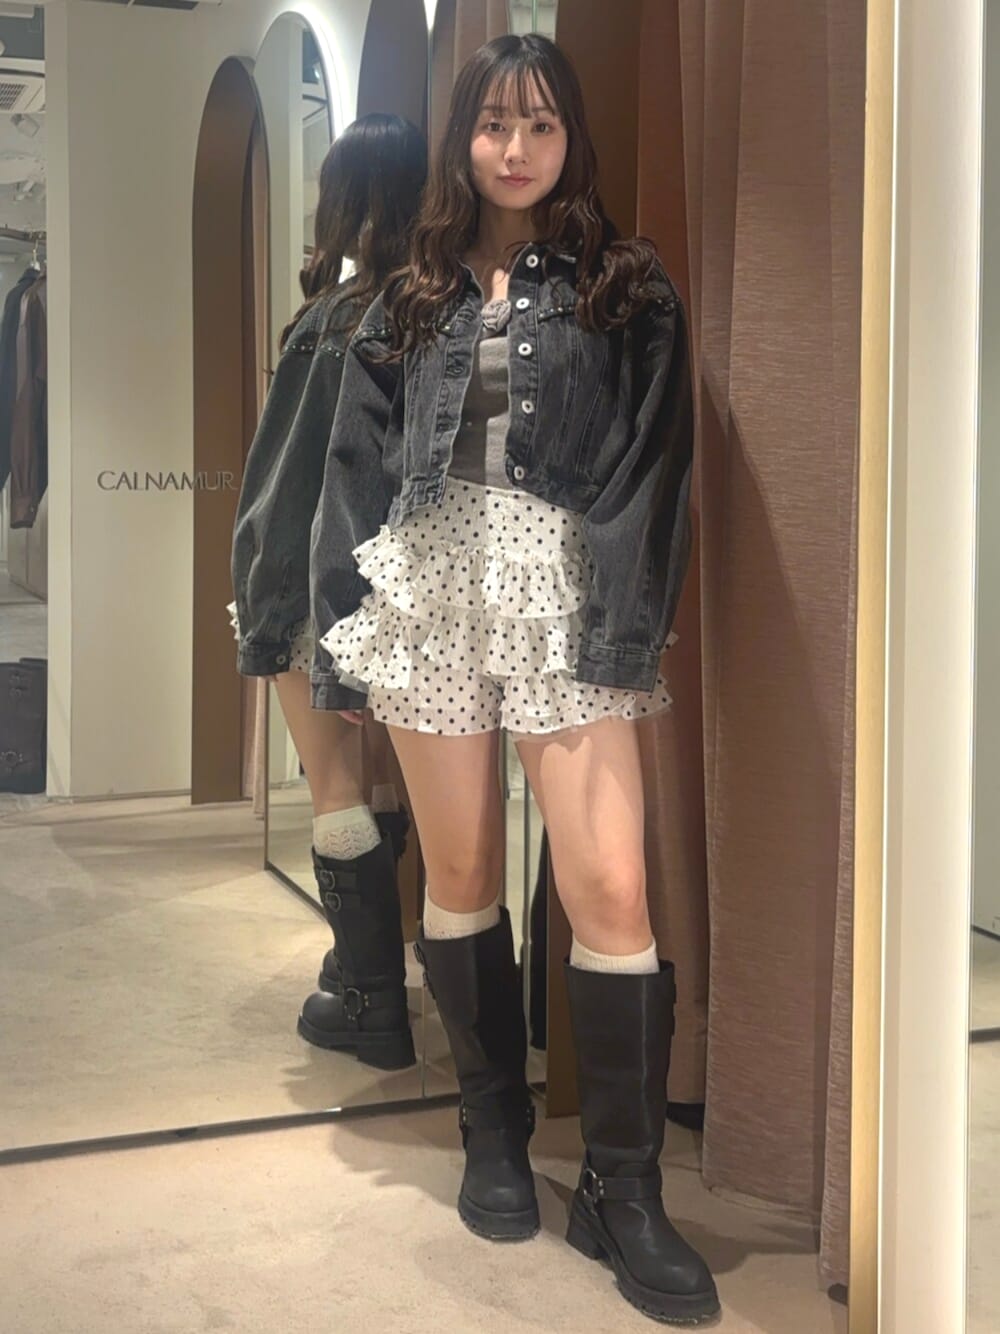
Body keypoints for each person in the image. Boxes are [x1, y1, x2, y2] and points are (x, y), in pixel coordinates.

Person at [310, 34, 720, 1327]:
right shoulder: (408, 295)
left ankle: (622, 1186)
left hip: (567, 583)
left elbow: (654, 467)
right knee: (463, 871)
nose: (516, 148)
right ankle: (491, 1131)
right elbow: (352, 469)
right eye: (494, 124)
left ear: (569, 138)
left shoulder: (623, 283)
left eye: (540, 125)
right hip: (430, 581)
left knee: (612, 887)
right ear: (463, 140)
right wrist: (342, 631)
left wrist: (622, 626)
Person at [229, 113, 428, 1071]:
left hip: (322, 579)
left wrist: (262, 588)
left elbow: (288, 477)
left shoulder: (333, 320)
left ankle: (369, 1001)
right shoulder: (441, 308)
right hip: (417, 591)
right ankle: (370, 968)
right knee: (397, 783)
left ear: (346, 200)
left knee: (335, 785)